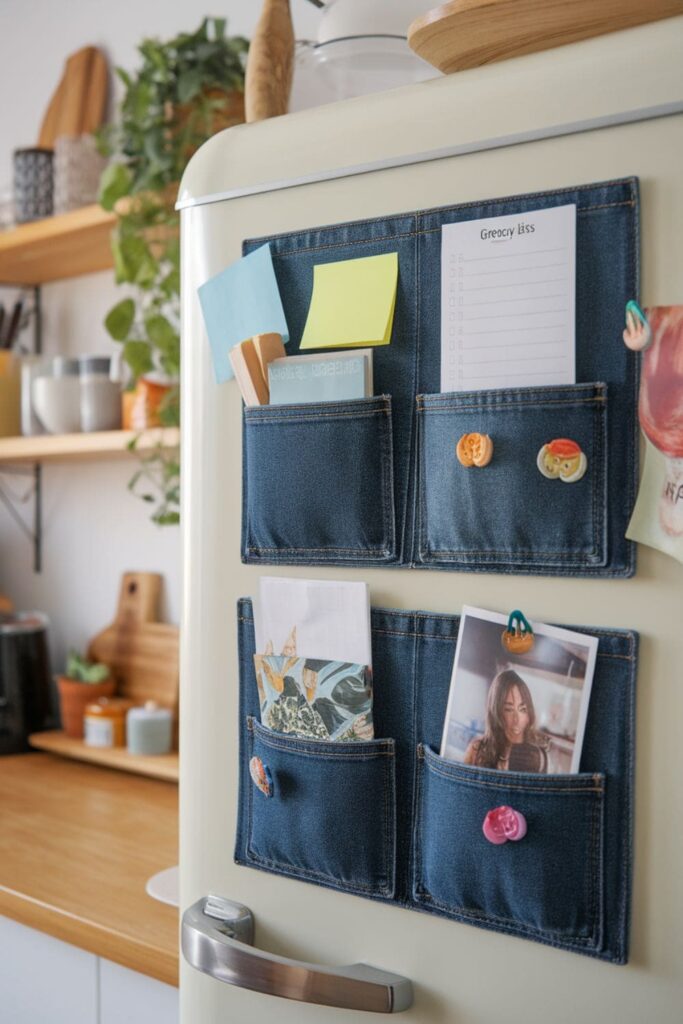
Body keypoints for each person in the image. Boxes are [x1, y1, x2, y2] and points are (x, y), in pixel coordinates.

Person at [464, 669, 548, 772]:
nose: (517, 719)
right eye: (509, 709)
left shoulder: (537, 757)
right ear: (495, 713)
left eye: (523, 709)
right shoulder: (476, 750)